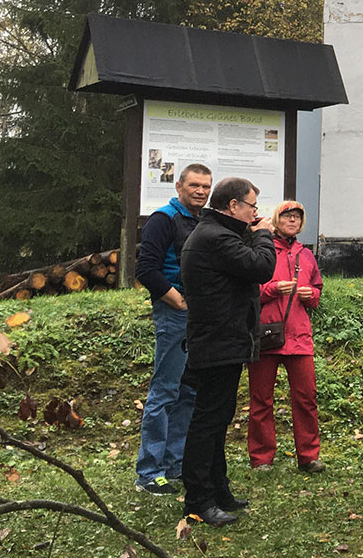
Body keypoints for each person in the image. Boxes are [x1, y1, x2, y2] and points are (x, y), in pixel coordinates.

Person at [179, 176, 276, 527]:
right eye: (251, 207)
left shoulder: (215, 233)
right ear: (233, 206)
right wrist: (263, 234)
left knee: (218, 419)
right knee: (208, 422)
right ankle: (198, 500)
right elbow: (262, 267)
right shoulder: (216, 237)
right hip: (217, 341)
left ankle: (218, 490)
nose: (254, 214)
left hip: (222, 340)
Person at [132, 162, 210, 495]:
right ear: (179, 186)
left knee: (189, 391)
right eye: (194, 185)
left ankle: (174, 463)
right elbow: (145, 269)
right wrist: (176, 300)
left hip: (199, 316)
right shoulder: (162, 219)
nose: (201, 191)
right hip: (174, 313)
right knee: (165, 391)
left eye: (206, 186)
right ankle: (149, 472)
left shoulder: (202, 221)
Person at [248, 200, 325, 474]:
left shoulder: (307, 255)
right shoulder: (261, 250)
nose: (292, 220)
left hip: (299, 336)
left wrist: (311, 294)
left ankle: (309, 456)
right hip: (266, 333)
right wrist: (273, 289)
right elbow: (249, 292)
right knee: (261, 399)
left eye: (297, 217)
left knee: (306, 398)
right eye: (287, 216)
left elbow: (317, 291)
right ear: (275, 220)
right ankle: (261, 458)